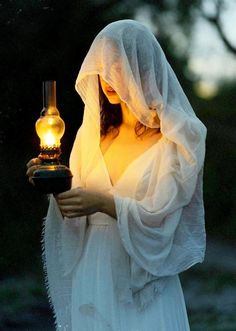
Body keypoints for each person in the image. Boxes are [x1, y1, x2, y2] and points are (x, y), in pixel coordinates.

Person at [27, 19, 206, 331]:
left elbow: (163, 221)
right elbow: (74, 210)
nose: (107, 74)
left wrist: (102, 202)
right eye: (103, 63)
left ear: (143, 66)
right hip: (92, 270)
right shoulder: (91, 136)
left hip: (142, 281)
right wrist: (51, 182)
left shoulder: (176, 141)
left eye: (118, 63)